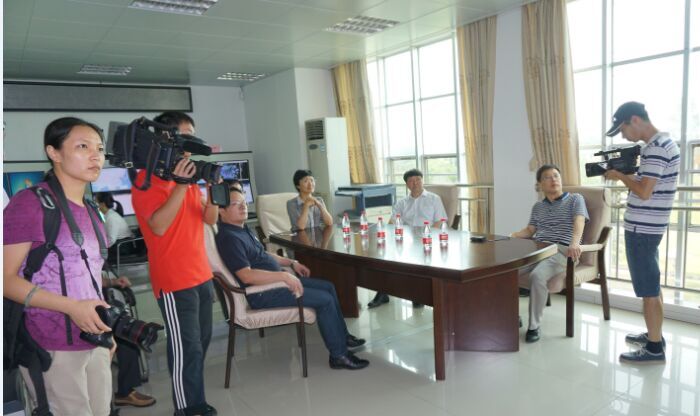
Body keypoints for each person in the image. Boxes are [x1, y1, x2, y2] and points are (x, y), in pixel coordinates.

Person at [3, 117, 114, 415]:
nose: (96, 156)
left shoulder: (91, 209)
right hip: (50, 344)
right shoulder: (30, 203)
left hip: (95, 338)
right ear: (53, 152)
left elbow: (89, 276)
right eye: (83, 147)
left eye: (99, 148)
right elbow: (5, 280)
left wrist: (108, 329)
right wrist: (71, 307)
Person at [216, 183, 370, 370]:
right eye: (235, 204)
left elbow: (263, 255)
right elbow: (247, 276)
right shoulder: (229, 238)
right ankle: (339, 356)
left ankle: (342, 338)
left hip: (275, 284)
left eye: (243, 202)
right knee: (325, 300)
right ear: (221, 211)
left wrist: (291, 263)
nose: (243, 207)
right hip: (263, 293)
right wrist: (284, 277)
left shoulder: (242, 229)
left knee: (328, 286)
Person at [131, 111, 218, 416]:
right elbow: (157, 226)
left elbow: (209, 219)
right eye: (185, 135)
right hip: (174, 278)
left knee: (200, 343)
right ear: (165, 137)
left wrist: (213, 191)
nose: (191, 143)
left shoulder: (190, 180)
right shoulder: (146, 180)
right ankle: (186, 407)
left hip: (201, 274)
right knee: (186, 347)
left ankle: (195, 399)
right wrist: (180, 185)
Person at [604, 102, 679, 364]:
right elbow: (649, 186)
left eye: (623, 130)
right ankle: (654, 335)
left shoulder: (656, 148)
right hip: (650, 226)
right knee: (652, 284)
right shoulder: (662, 144)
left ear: (634, 120)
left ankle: (654, 349)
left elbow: (645, 192)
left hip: (642, 228)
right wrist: (629, 175)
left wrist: (620, 176)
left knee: (648, 289)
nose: (624, 136)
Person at [511, 165, 588, 343]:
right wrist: (512, 235)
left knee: (537, 275)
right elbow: (530, 230)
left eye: (556, 176)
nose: (553, 179)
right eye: (548, 177)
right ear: (540, 184)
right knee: (506, 272)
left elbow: (580, 221)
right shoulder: (538, 206)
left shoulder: (575, 199)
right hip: (538, 249)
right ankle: (512, 316)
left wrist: (575, 243)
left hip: (562, 250)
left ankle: (533, 326)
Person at [368, 168, 447, 309]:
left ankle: (417, 294)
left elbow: (440, 221)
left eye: (418, 180)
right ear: (407, 184)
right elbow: (392, 222)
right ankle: (383, 292)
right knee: (385, 256)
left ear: (422, 181)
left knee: (416, 258)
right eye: (411, 181)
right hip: (406, 239)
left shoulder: (434, 199)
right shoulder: (402, 202)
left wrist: (428, 237)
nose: (415, 183)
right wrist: (390, 235)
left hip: (428, 239)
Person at [101, 274, 156, 408]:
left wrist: (113, 282)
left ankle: (125, 392)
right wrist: (112, 282)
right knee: (99, 353)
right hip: (86, 307)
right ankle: (106, 403)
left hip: (104, 300)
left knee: (128, 340)